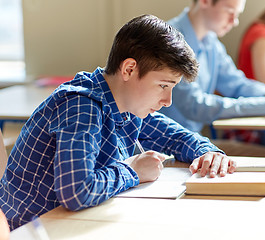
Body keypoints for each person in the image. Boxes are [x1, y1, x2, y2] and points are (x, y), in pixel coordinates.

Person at [0, 15, 237, 230]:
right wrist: (133, 170)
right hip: (29, 232)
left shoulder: (128, 105)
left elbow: (177, 137)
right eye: (163, 86)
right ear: (129, 69)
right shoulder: (82, 106)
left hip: (72, 225)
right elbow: (76, 192)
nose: (167, 101)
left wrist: (208, 152)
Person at [160, 0, 265, 156]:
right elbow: (194, 106)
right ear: (205, 2)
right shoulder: (171, 41)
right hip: (167, 148)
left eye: (237, 15)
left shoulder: (211, 42)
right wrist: (264, 105)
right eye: (230, 12)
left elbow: (236, 83)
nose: (235, 21)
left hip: (192, 141)